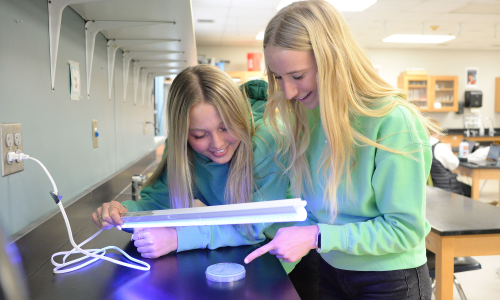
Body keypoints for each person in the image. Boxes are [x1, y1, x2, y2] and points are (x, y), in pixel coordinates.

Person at [244, 1, 436, 299]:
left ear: (333, 60)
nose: (289, 92)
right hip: (330, 268)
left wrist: (318, 235)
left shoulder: (394, 121)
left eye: (297, 76)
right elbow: (316, 211)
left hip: (389, 279)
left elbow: (404, 229)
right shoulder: (307, 116)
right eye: (279, 78)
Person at [92, 65, 288, 258]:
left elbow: (252, 227)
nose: (218, 144)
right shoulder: (183, 149)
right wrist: (124, 214)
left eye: (226, 127)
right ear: (183, 135)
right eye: (199, 135)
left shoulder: (269, 139)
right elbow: (158, 203)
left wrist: (178, 238)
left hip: (287, 258)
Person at [427, 117, 471, 197]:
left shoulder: (422, 146)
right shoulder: (439, 147)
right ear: (437, 131)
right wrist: (449, 151)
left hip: (431, 187)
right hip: (445, 187)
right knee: (469, 189)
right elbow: (454, 165)